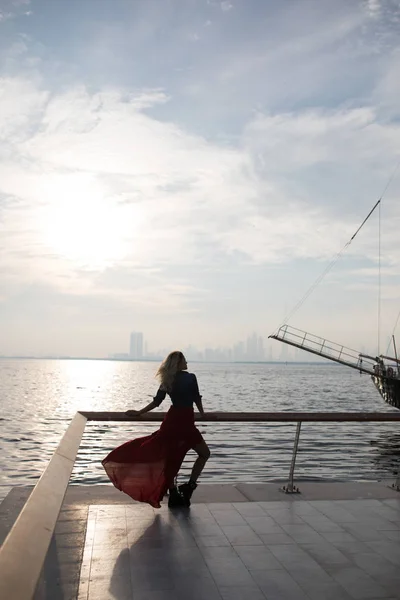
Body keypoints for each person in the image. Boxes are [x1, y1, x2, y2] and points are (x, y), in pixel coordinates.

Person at [102, 351, 210, 509]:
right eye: (184, 360)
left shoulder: (168, 379)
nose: (187, 362)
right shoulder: (190, 377)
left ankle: (175, 491)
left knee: (169, 459)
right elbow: (196, 397)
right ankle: (189, 486)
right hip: (185, 422)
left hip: (173, 422)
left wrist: (139, 412)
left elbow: (157, 402)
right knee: (204, 453)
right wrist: (203, 415)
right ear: (178, 363)